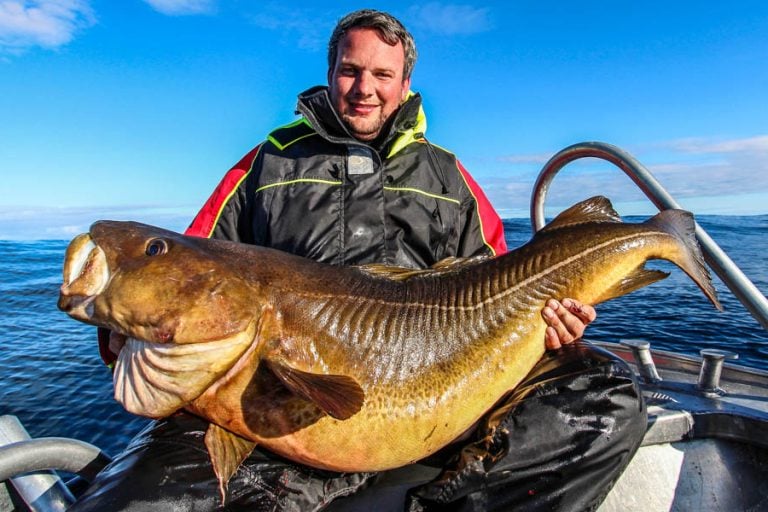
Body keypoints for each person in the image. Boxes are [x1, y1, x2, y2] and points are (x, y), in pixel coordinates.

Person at [75, 9, 645, 512]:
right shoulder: (266, 163)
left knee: (605, 396)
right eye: (351, 71)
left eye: (381, 75)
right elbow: (193, 262)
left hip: (444, 396)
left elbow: (499, 278)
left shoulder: (448, 175)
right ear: (330, 73)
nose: (363, 88)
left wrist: (554, 328)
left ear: (404, 84)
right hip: (277, 407)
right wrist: (118, 331)